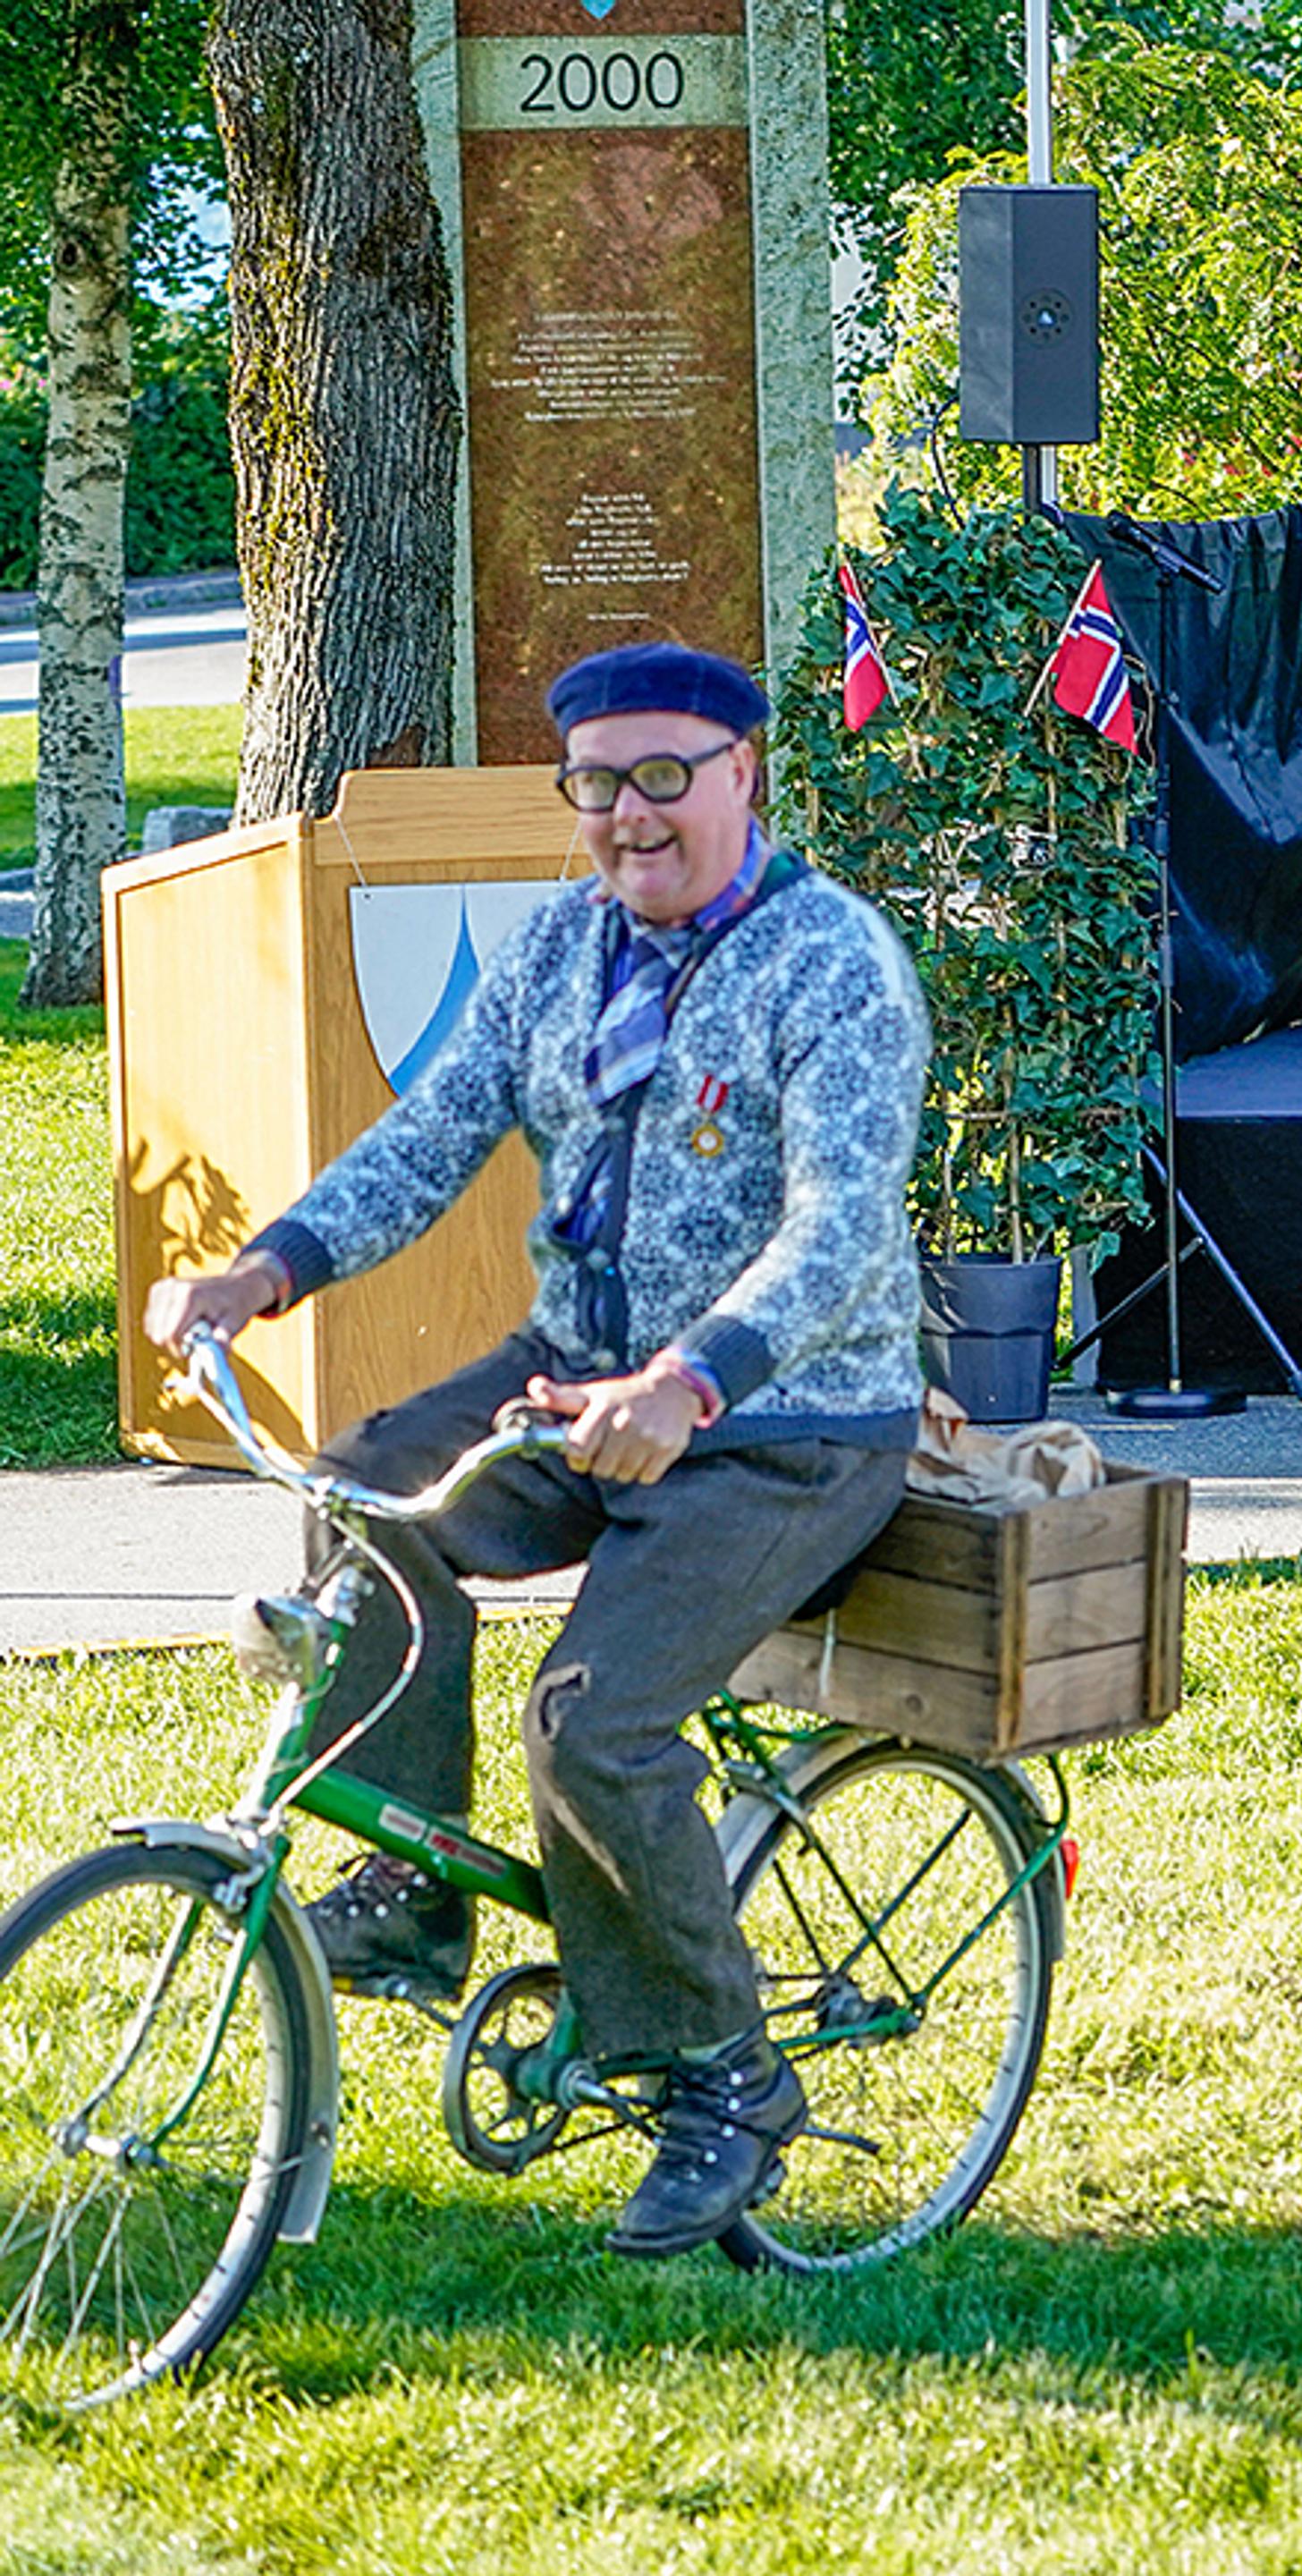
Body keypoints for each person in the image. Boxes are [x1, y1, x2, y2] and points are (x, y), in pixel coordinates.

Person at [144, 640, 932, 2257]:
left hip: (782, 1424)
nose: (629, 815)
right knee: (366, 1493)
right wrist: (261, 1270)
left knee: (592, 1730)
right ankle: (413, 1897)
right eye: (596, 782)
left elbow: (839, 1228)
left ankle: (725, 2080)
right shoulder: (563, 947)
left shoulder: (834, 963)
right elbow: (428, 1137)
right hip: (575, 1381)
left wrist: (694, 1383)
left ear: (744, 773)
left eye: (666, 776)